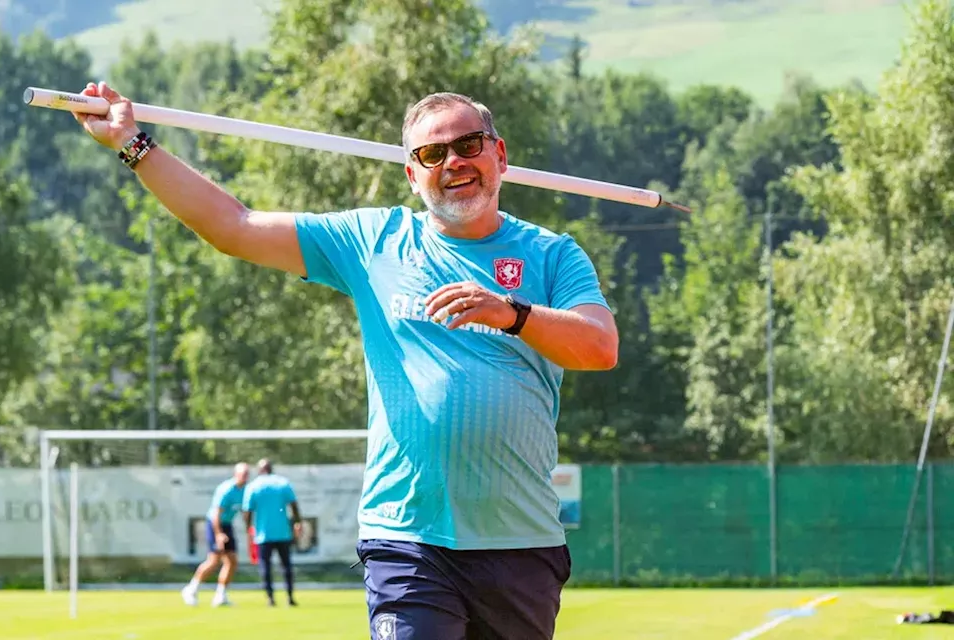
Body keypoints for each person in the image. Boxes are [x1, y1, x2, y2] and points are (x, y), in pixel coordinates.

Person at [71, 81, 619, 640]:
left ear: (499, 154)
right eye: (432, 154)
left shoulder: (553, 255)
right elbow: (233, 227)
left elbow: (600, 347)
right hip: (407, 540)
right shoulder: (374, 239)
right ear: (413, 174)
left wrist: (513, 313)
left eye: (469, 144)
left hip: (518, 543)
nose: (453, 162)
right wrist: (132, 143)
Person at [181, 462, 249, 607]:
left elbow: (244, 511)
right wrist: (218, 534)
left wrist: (249, 528)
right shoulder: (226, 489)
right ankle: (191, 589)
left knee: (232, 561)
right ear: (236, 474)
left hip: (227, 525)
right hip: (215, 524)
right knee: (213, 560)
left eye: (247, 474)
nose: (245, 477)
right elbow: (216, 514)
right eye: (243, 474)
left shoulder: (245, 490)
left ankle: (220, 596)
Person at [242, 458, 302, 607]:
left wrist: (248, 528)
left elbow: (247, 511)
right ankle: (290, 596)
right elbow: (293, 505)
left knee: (265, 565)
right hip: (283, 532)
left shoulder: (253, 486)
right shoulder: (282, 483)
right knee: (286, 565)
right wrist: (297, 522)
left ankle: (270, 598)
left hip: (263, 534)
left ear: (259, 470)